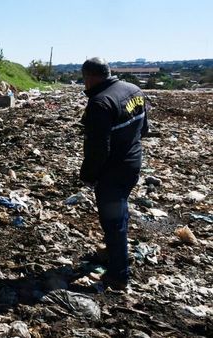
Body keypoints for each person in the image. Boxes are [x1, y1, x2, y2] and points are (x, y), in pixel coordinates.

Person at [80, 57, 149, 290]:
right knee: (119, 212)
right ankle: (113, 251)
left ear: (90, 77)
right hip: (133, 163)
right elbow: (144, 129)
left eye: (84, 79)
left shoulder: (100, 103)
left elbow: (98, 149)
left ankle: (119, 274)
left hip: (113, 172)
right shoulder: (134, 89)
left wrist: (88, 176)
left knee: (113, 221)